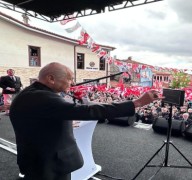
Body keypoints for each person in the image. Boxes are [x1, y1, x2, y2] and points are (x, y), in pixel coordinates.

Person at [9, 62, 162, 180]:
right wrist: (137, 103)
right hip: (49, 166)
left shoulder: (30, 94)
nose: (72, 83)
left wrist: (66, 120)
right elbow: (90, 111)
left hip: (35, 160)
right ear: (51, 79)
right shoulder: (44, 97)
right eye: (69, 79)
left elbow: (40, 120)